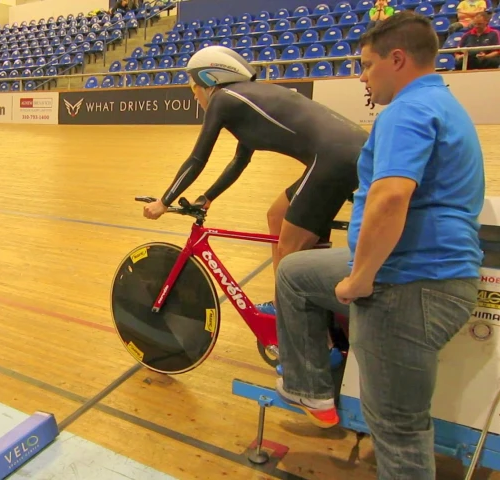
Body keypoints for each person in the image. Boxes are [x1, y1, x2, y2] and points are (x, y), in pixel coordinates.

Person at [273, 11, 483, 479]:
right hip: (431, 273)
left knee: (398, 429)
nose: (362, 75)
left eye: (367, 65)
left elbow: (390, 197)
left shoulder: (405, 111)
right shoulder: (442, 103)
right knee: (295, 272)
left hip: (408, 284)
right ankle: (309, 387)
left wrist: (360, 279)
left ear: (398, 59)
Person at [141, 46, 368, 315]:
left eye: (193, 88)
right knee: (277, 215)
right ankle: (284, 304)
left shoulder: (223, 99)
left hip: (332, 159)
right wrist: (208, 197)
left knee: (288, 252)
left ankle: (309, 334)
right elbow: (240, 160)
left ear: (210, 80)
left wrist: (164, 201)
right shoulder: (247, 99)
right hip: (342, 154)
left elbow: (197, 159)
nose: (194, 96)